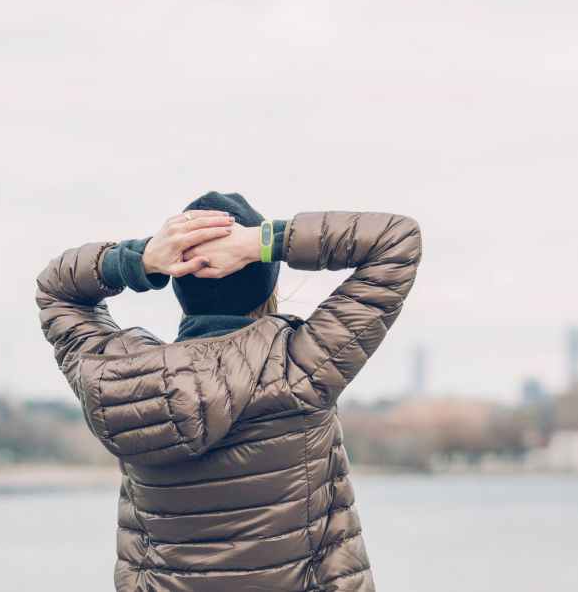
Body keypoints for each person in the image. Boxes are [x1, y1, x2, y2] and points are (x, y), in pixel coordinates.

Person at [35, 191, 422, 592]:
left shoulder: (121, 381)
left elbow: (56, 291)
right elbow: (396, 240)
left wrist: (141, 259)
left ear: (180, 285)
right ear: (262, 280)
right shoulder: (302, 366)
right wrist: (263, 242)